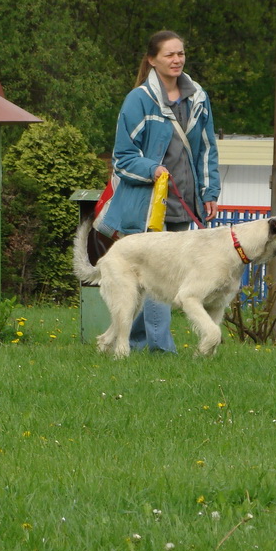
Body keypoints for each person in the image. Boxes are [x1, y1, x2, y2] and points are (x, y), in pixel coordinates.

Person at [94, 30, 221, 352]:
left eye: (180, 54)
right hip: (147, 205)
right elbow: (122, 157)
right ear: (152, 60)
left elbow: (207, 149)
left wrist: (210, 192)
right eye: (169, 55)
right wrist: (152, 169)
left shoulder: (198, 98)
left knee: (169, 278)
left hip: (184, 201)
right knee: (157, 277)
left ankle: (136, 341)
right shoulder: (138, 100)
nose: (177, 60)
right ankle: (162, 350)